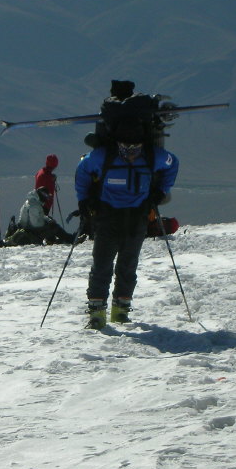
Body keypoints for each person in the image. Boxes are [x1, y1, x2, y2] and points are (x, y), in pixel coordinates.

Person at [75, 117, 179, 330]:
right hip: (114, 216)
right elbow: (83, 170)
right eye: (125, 148)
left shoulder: (108, 156)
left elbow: (83, 169)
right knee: (105, 264)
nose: (130, 152)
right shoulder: (111, 156)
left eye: (135, 148)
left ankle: (114, 311)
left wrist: (161, 191)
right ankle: (102, 313)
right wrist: (84, 199)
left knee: (125, 264)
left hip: (132, 216)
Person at [0, 188, 75, 247]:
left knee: (49, 221)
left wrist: (47, 219)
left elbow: (37, 217)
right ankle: (69, 239)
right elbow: (36, 224)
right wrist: (48, 223)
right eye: (47, 197)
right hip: (32, 231)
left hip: (25, 227)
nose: (47, 199)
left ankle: (53, 239)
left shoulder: (29, 202)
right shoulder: (35, 206)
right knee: (54, 227)